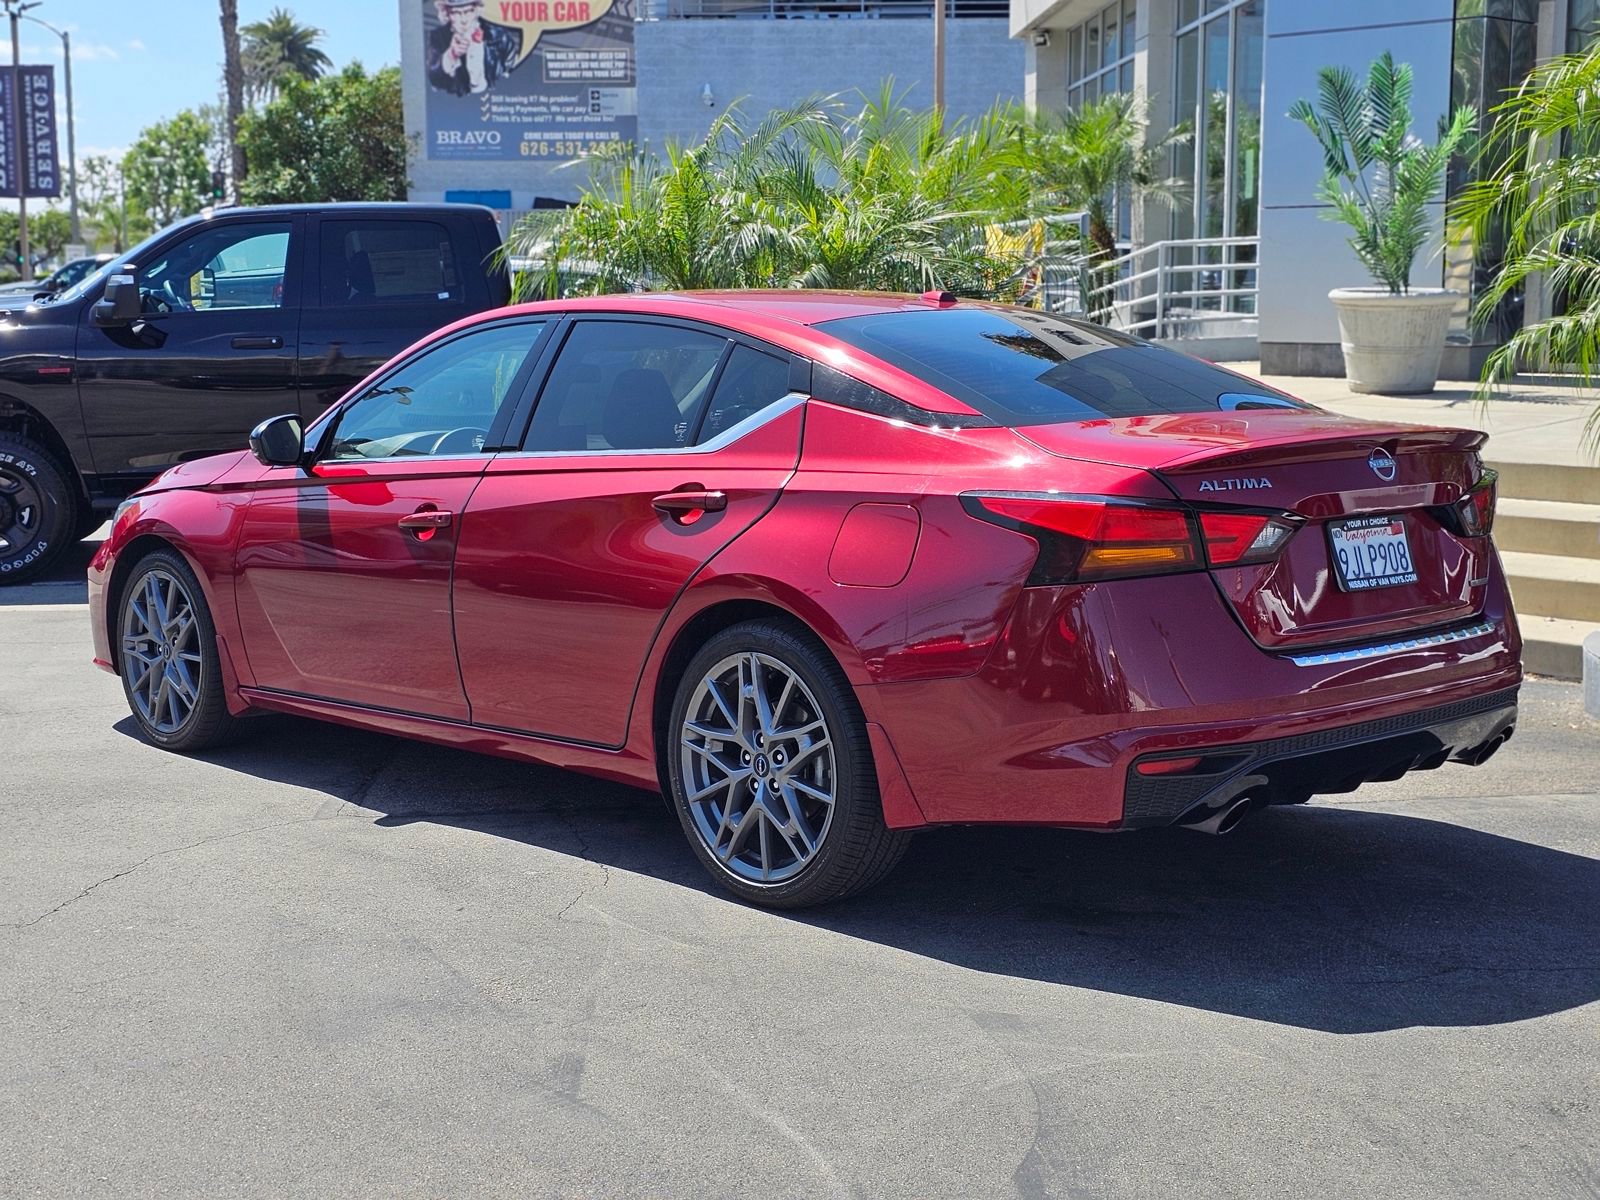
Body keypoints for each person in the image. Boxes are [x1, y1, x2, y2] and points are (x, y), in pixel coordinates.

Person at [426, 0, 522, 96]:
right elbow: (433, 80)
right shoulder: (437, 37)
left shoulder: (500, 37)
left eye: (468, 11)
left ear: (476, 9)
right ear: (447, 13)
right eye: (456, 13)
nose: (464, 20)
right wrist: (451, 55)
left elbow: (513, 76)